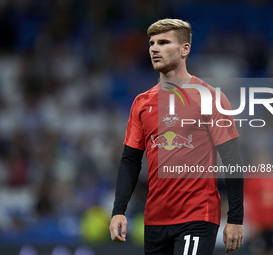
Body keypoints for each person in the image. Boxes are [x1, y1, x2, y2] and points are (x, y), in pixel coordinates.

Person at [109, 18, 244, 255]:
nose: (154, 48)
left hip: (198, 216)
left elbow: (232, 160)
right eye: (152, 43)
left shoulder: (210, 98)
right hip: (154, 220)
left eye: (163, 42)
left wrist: (235, 218)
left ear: (185, 49)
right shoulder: (142, 103)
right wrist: (118, 210)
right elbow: (130, 160)